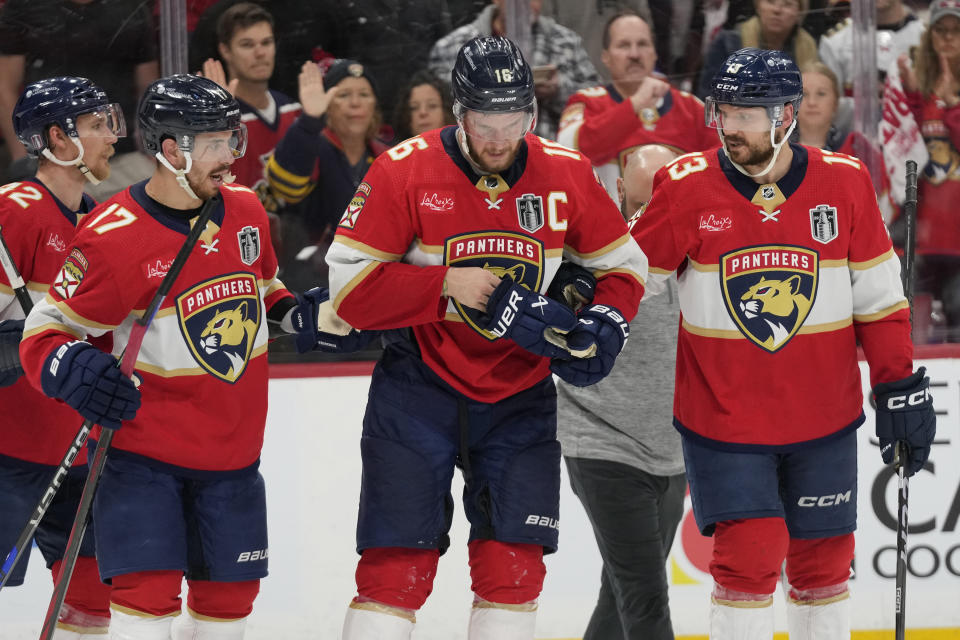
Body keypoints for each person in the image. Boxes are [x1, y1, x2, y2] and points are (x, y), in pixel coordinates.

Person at [325, 36, 648, 640]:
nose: (499, 137)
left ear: (531, 112)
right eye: (483, 120)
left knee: (514, 567)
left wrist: (607, 319)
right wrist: (446, 284)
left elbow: (625, 266)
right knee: (396, 567)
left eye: (513, 119)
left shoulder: (567, 173)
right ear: (459, 112)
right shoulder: (404, 170)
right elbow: (347, 289)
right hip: (417, 388)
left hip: (520, 394)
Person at [628, 48, 935, 640]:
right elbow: (629, 278)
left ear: (788, 113)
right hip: (726, 418)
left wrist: (898, 386)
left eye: (748, 114)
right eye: (724, 113)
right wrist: (582, 302)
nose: (731, 127)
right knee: (750, 557)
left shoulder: (843, 183)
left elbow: (879, 300)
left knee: (824, 564)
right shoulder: (686, 185)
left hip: (823, 415)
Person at [18, 73, 333, 639]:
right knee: (146, 606)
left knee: (227, 610)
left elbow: (264, 286)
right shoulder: (112, 235)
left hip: (234, 457)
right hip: (143, 463)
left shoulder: (244, 210)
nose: (231, 156)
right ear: (171, 150)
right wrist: (74, 368)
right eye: (215, 143)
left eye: (232, 139)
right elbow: (42, 332)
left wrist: (294, 313)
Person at [0, 76, 124, 639]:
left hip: (77, 449)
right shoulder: (18, 211)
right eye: (97, 125)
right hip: (8, 452)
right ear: (57, 137)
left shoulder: (100, 224)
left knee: (93, 594)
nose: (111, 137)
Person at [557, 144, 685, 640]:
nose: (651, 215)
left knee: (620, 591)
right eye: (641, 202)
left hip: (672, 451)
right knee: (645, 593)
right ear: (618, 192)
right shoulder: (589, 256)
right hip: (601, 444)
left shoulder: (707, 252)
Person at [0, 0, 158, 198]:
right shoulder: (24, 6)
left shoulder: (130, 7)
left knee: (161, 205)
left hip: (120, 154)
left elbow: (148, 87)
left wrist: (153, 150)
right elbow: (5, 87)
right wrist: (23, 157)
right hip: (52, 157)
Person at [557, 11, 716, 202]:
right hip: (610, 227)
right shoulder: (585, 102)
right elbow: (568, 154)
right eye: (624, 45)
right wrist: (634, 105)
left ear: (654, 53)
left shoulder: (691, 107)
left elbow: (721, 169)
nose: (634, 54)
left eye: (642, 44)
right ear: (605, 57)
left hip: (679, 226)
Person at [265, 58, 390, 290]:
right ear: (327, 103)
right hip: (312, 286)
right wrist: (310, 121)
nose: (355, 103)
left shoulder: (388, 155)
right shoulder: (310, 145)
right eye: (343, 95)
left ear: (375, 104)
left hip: (373, 284)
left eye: (364, 94)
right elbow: (284, 187)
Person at [428, 0, 601, 139]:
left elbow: (596, 98)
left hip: (547, 155)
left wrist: (559, 88)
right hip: (478, 154)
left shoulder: (564, 42)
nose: (526, 5)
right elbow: (437, 105)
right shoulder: (454, 46)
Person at [896, 0, 960, 342]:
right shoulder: (918, 88)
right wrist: (909, 94)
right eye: (940, 30)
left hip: (957, 234)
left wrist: (952, 107)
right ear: (930, 35)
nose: (948, 38)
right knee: (910, 333)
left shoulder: (948, 95)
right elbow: (905, 152)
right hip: (920, 235)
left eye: (956, 30)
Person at [697, 0, 818, 99]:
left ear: (800, 13)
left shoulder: (809, 48)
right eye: (770, 1)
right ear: (758, 7)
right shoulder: (728, 43)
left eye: (787, 4)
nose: (777, 10)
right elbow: (708, 97)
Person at [392, 70, 456, 142]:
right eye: (414, 108)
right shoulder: (391, 152)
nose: (423, 112)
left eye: (432, 105)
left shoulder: (466, 149)